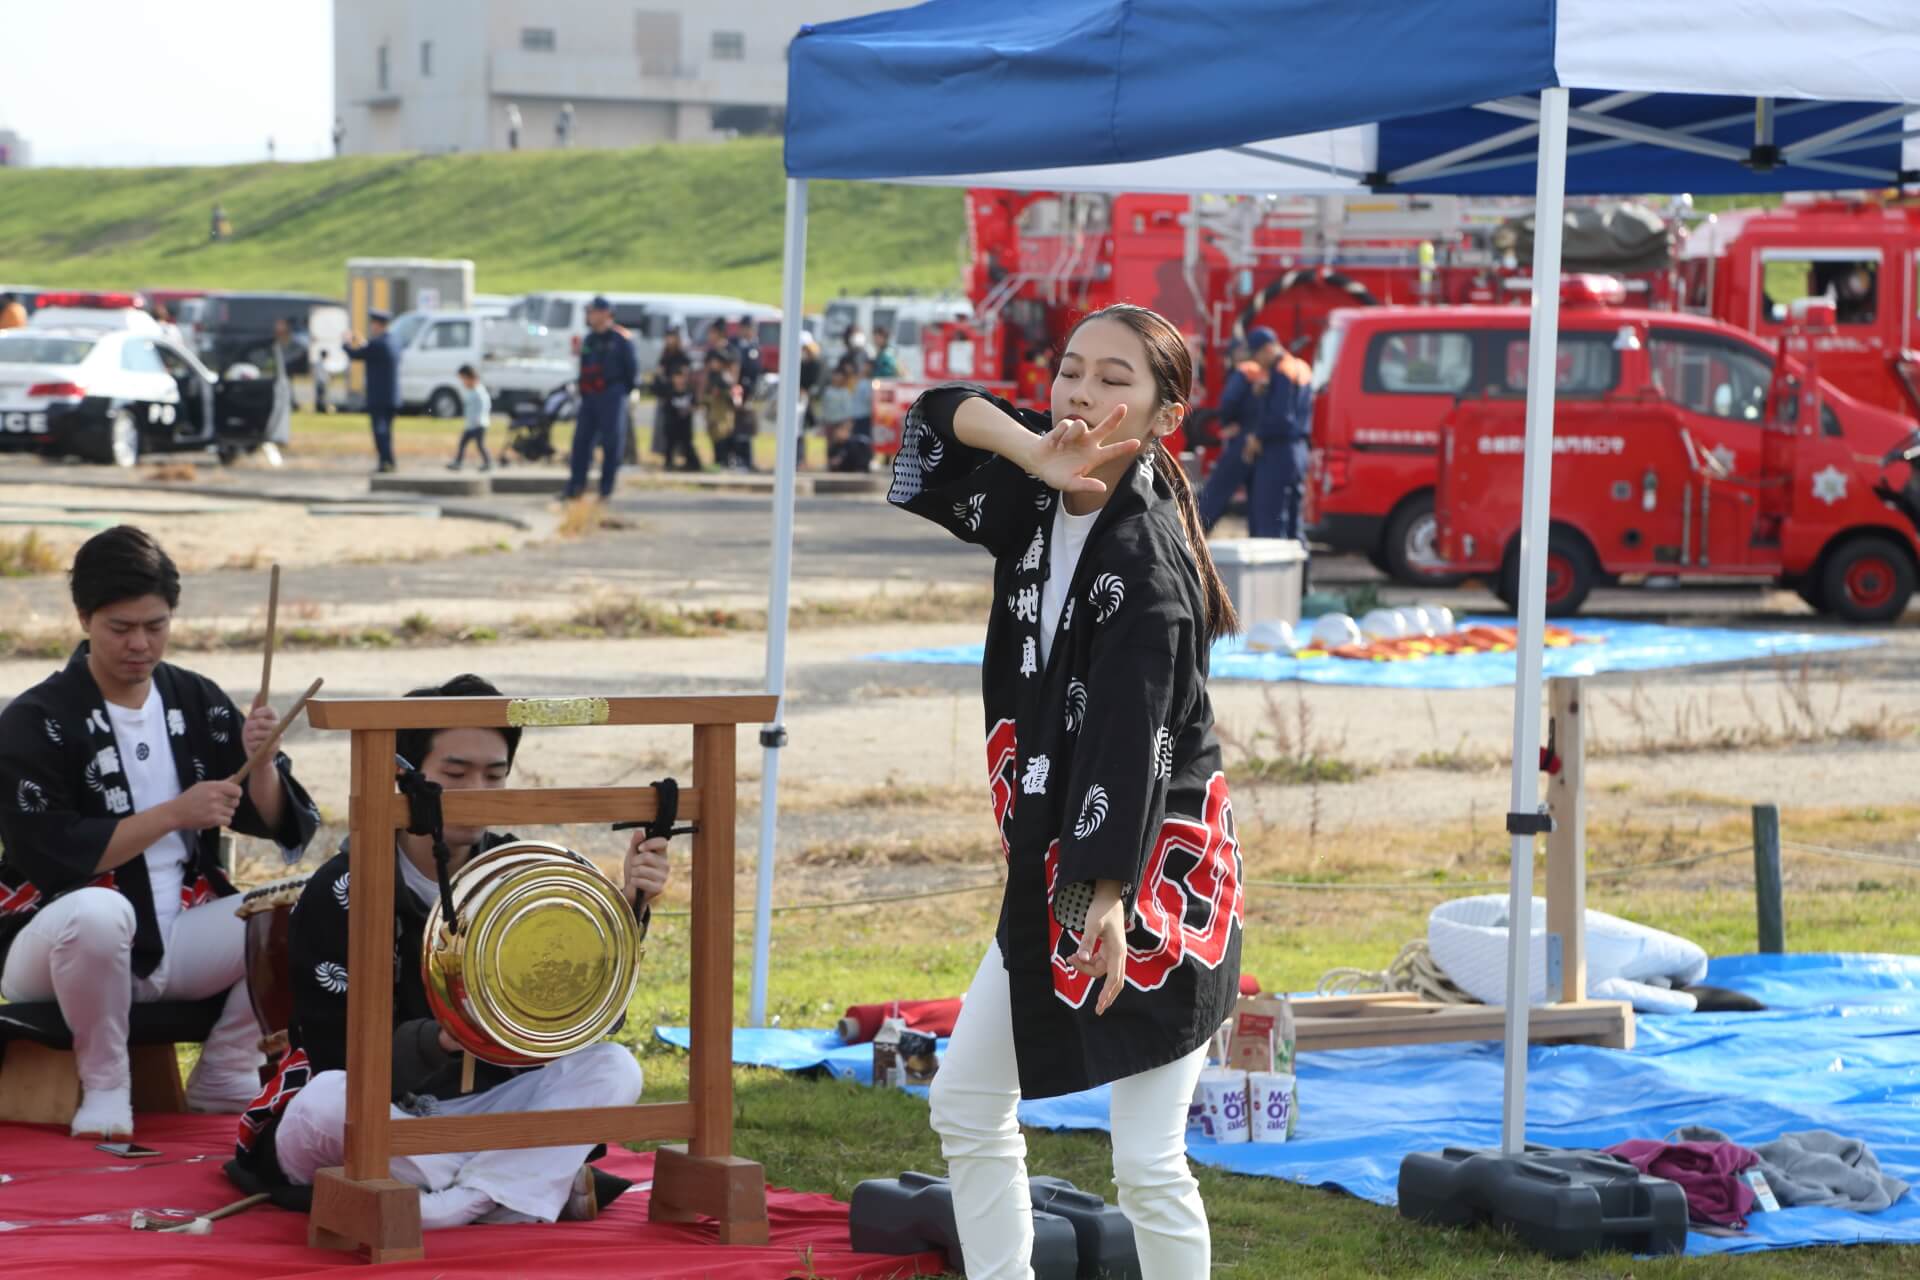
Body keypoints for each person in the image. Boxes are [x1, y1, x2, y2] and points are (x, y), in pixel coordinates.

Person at [888, 303, 1243, 1279]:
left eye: (1115, 379)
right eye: (1071, 369)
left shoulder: (1149, 563)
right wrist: (1031, 451)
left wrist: (1103, 897)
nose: (1082, 392)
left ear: (1166, 415)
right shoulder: (1039, 495)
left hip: (1156, 877)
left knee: (1148, 1158)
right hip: (1055, 864)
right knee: (968, 1102)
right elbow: (935, 418)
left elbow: (1133, 745)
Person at [232, 674, 669, 1230]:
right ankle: (512, 1189)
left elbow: (579, 1029)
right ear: (403, 777)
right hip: (376, 1110)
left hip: (488, 1106)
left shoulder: (525, 876)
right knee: (325, 1101)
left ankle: (454, 1204)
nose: (477, 792)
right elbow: (333, 1054)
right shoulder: (340, 889)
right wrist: (443, 1036)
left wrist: (625, 912)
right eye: (456, 774)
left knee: (612, 1067)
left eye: (495, 775)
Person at [0, 527, 321, 1138]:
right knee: (100, 913)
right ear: (84, 618)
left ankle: (226, 1068)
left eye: (156, 625)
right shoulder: (36, 720)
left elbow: (270, 816)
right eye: (120, 628)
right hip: (55, 944)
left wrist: (261, 763)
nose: (140, 644)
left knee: (315, 905)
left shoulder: (193, 698)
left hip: (177, 934)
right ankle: (106, 1084)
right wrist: (173, 814)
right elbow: (50, 856)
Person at [1196, 327, 1278, 533]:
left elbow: (1228, 403)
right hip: (1264, 442)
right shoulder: (1273, 372)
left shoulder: (1246, 371)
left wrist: (1228, 423)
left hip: (1243, 438)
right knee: (1259, 500)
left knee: (1218, 490)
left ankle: (1194, 534)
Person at [562, 296, 637, 501]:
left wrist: (620, 393)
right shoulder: (590, 339)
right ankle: (576, 486)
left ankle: (606, 489)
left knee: (612, 442)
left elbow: (632, 372)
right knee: (581, 441)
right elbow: (584, 365)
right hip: (590, 396)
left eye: (592, 312)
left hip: (612, 395)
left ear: (605, 313)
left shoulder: (621, 339)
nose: (589, 316)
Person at [1246, 340, 1314, 541]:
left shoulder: (1281, 371)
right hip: (1299, 450)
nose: (1257, 363)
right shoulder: (1301, 367)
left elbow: (1281, 417)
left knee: (1271, 521)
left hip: (1278, 452)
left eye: (1257, 356)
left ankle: (1273, 563)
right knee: (1294, 521)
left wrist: (1258, 436)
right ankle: (1300, 561)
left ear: (1268, 349)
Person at [344, 310, 400, 473]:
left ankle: (385, 462)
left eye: (373, 324)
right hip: (392, 396)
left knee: (379, 431)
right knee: (387, 432)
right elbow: (371, 351)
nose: (372, 327)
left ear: (378, 325)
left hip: (378, 397)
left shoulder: (377, 344)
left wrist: (345, 343)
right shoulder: (393, 341)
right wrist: (363, 342)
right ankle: (389, 461)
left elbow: (355, 354)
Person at [654, 364, 700, 472]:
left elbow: (696, 405)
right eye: (678, 377)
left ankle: (692, 464)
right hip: (671, 425)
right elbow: (656, 390)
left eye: (683, 377)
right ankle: (669, 464)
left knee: (687, 446)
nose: (680, 380)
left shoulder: (689, 391)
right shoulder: (668, 390)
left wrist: (689, 409)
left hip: (685, 425)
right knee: (670, 446)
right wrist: (658, 376)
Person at [448, 364, 492, 471]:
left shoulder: (479, 391)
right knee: (463, 443)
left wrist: (478, 419)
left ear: (469, 377)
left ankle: (488, 463)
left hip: (479, 424)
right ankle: (458, 462)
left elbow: (484, 406)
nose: (463, 382)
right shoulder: (470, 390)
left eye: (463, 379)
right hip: (470, 425)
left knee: (480, 445)